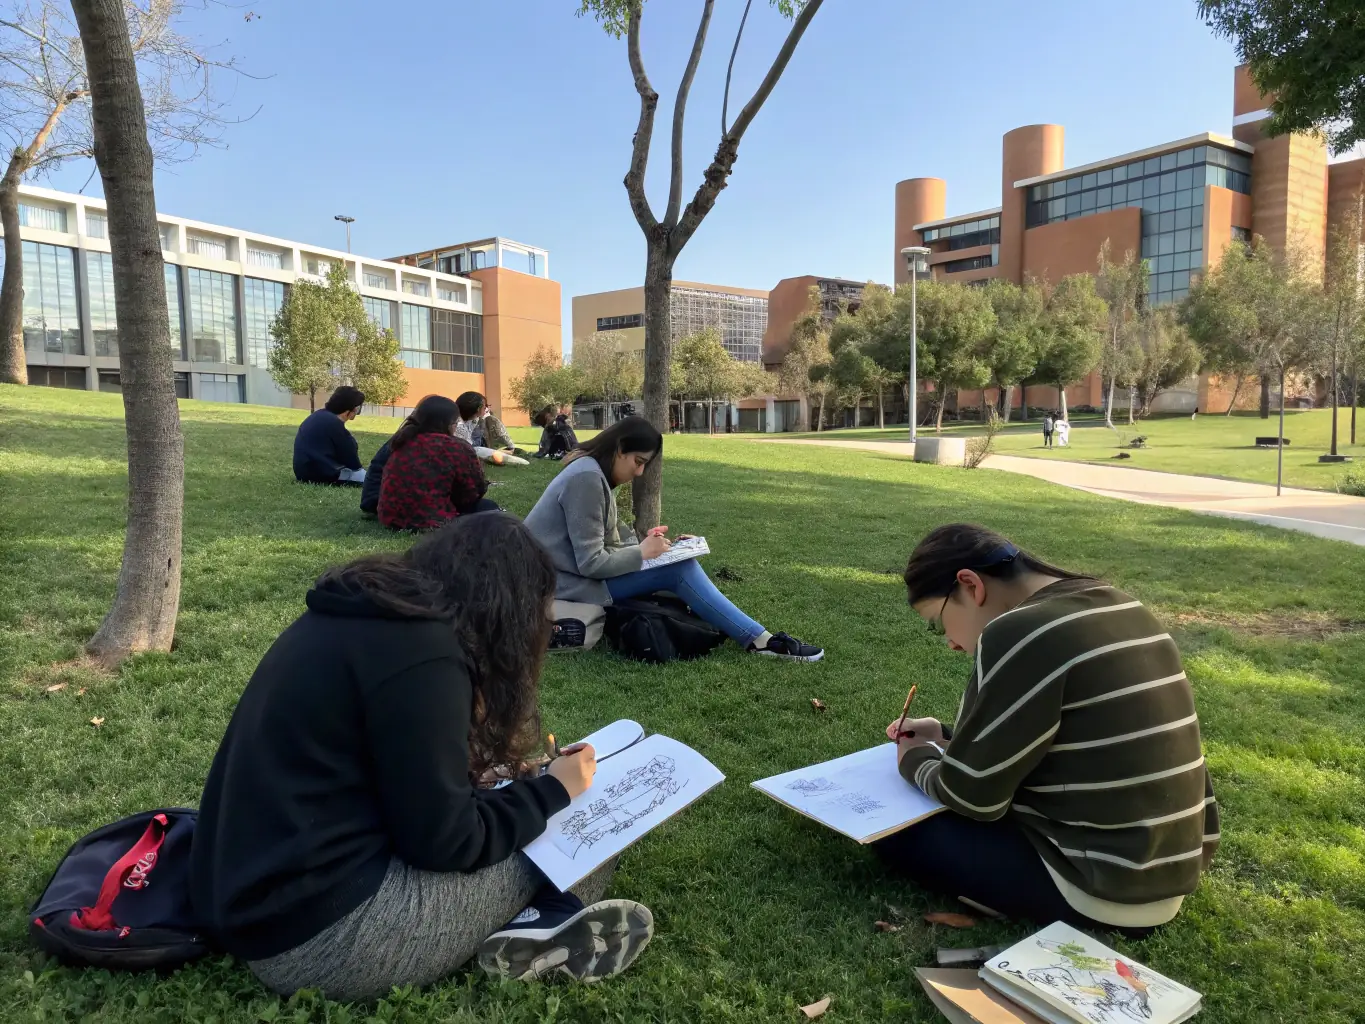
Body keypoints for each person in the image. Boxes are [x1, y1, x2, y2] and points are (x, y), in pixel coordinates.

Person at [190, 514, 655, 1001]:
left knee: (534, 809)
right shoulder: (427, 656)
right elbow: (446, 843)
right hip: (322, 940)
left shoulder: (367, 617)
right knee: (587, 825)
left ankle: (541, 919)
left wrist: (479, 777)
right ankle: (545, 921)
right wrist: (553, 790)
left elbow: (377, 769)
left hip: (250, 902)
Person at [874, 523, 1219, 935]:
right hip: (1165, 874)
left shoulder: (1020, 631)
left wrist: (915, 759)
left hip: (1099, 891)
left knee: (890, 830)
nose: (949, 642)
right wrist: (946, 736)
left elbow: (971, 797)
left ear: (970, 585)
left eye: (938, 622)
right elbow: (1070, 737)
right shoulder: (1121, 605)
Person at [523, 416, 824, 661]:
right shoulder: (587, 478)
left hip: (566, 575)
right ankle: (759, 641)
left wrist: (657, 547)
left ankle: (750, 634)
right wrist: (642, 553)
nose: (639, 472)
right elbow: (591, 563)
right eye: (638, 461)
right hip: (556, 583)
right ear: (620, 449)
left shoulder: (591, 471)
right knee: (679, 570)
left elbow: (606, 540)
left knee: (678, 562)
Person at [378, 395, 498, 531]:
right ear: (449, 424)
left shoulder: (402, 440)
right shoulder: (457, 447)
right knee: (489, 507)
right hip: (432, 520)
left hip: (391, 518)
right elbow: (472, 493)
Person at [293, 386, 366, 485]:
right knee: (370, 478)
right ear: (351, 409)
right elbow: (353, 463)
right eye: (358, 409)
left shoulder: (317, 416)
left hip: (302, 472)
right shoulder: (334, 424)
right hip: (322, 475)